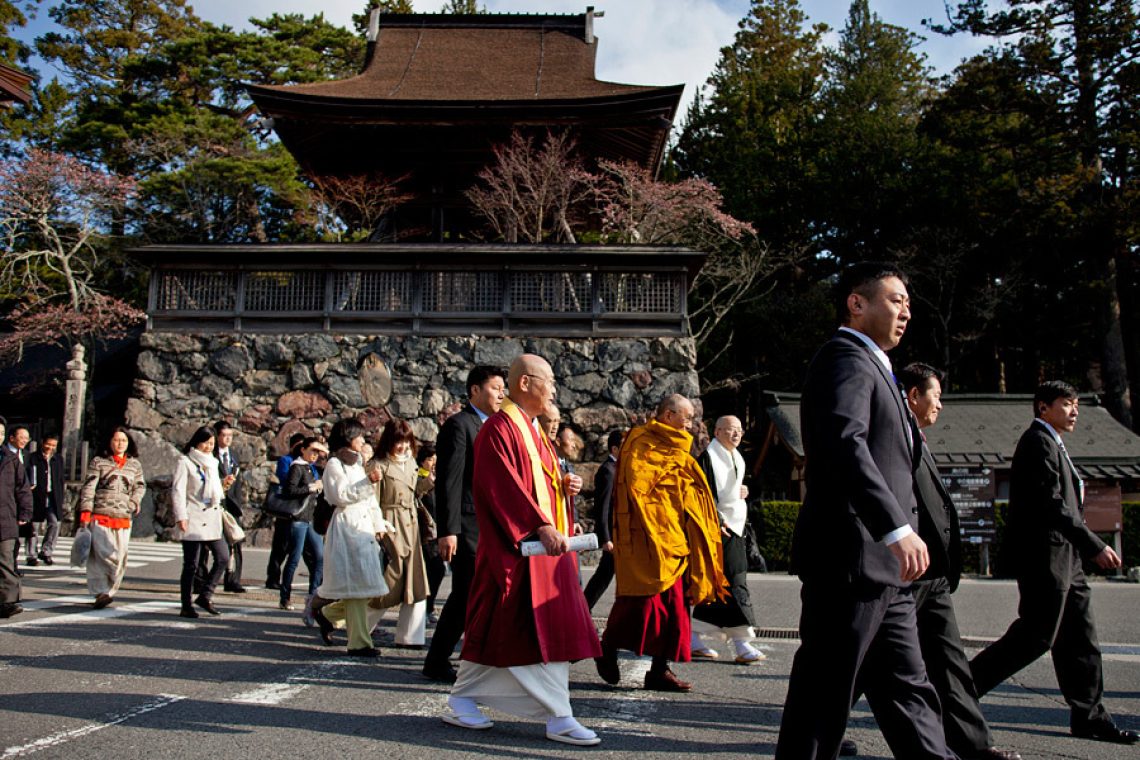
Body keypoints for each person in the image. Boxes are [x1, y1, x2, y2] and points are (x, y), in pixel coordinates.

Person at [775, 262, 952, 760]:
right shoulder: (845, 358)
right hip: (851, 560)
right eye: (896, 300)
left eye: (908, 303)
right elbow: (842, 444)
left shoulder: (878, 367)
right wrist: (895, 525)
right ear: (857, 303)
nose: (906, 312)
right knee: (821, 698)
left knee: (910, 694)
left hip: (884, 570)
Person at [839, 364, 1020, 760]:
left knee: (949, 661)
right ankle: (824, 731)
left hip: (931, 572)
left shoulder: (915, 435)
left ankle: (974, 744)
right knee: (858, 662)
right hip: (901, 567)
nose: (940, 405)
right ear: (914, 396)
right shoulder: (888, 435)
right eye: (935, 396)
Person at [443, 353, 601, 747]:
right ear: (526, 383)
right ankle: (559, 715)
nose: (554, 389)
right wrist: (541, 525)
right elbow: (501, 488)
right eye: (549, 380)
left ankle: (463, 697)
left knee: (501, 628)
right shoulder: (500, 428)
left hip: (544, 549)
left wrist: (564, 496)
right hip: (521, 548)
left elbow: (539, 484)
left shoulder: (532, 429)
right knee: (533, 627)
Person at [970, 381, 1138, 745]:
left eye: (1076, 404)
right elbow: (1052, 503)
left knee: (1081, 639)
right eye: (1066, 404)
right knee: (1035, 636)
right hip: (1045, 557)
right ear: (1043, 408)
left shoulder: (1053, 443)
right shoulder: (1037, 442)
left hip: (1066, 558)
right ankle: (960, 691)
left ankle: (1089, 716)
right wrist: (1093, 544)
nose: (1074, 410)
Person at [595, 393, 727, 692]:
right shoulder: (641, 442)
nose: (691, 423)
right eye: (687, 416)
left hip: (676, 539)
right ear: (668, 415)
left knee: (677, 608)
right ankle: (607, 647)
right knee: (640, 603)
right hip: (649, 539)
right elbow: (639, 491)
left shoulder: (680, 448)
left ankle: (659, 669)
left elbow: (688, 489)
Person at [422, 365, 507, 683]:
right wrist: (448, 530)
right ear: (474, 390)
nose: (502, 393)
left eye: (504, 388)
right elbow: (449, 482)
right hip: (467, 526)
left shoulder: (498, 425)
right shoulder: (460, 425)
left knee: (484, 591)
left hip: (491, 525)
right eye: (496, 387)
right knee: (466, 591)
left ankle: (479, 654)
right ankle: (437, 659)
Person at [310, 418, 391, 657]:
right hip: (347, 528)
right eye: (359, 436)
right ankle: (359, 643)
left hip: (362, 528)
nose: (363, 440)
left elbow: (369, 499)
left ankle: (327, 615)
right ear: (348, 437)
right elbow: (339, 496)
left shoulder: (355, 464)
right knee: (357, 588)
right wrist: (368, 481)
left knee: (366, 588)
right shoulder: (335, 464)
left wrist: (378, 523)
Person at [690, 415, 766, 664]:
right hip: (720, 528)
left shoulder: (736, 456)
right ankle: (742, 642)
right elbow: (703, 494)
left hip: (735, 527)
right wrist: (716, 520)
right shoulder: (708, 457)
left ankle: (694, 636)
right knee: (734, 581)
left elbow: (731, 489)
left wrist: (742, 490)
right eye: (731, 430)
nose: (736, 435)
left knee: (721, 583)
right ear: (717, 431)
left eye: (739, 431)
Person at [366, 418, 430, 648]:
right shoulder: (378, 465)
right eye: (398, 442)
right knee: (390, 580)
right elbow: (372, 499)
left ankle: (411, 636)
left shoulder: (411, 463)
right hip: (390, 523)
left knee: (416, 581)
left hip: (411, 524)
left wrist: (428, 479)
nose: (403, 447)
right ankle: (361, 627)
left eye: (406, 442)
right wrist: (377, 527)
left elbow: (416, 492)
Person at [77, 427, 147, 610]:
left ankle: (109, 591)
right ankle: (100, 592)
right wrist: (85, 511)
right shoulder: (98, 462)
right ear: (109, 442)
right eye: (116, 440)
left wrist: (133, 503)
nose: (120, 444)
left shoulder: (135, 465)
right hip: (100, 514)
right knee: (103, 556)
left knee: (120, 556)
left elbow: (140, 487)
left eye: (123, 441)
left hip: (123, 517)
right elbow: (89, 488)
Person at [171, 426, 229, 618]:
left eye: (212, 444)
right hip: (193, 515)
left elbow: (213, 490)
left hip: (211, 516)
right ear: (197, 441)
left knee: (223, 557)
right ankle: (186, 604)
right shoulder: (185, 462)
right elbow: (178, 490)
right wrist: (181, 516)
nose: (208, 447)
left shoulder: (212, 463)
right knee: (191, 564)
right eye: (205, 442)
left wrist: (223, 486)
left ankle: (205, 594)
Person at [278, 437, 327, 614]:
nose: (315, 455)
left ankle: (313, 595)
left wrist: (325, 451)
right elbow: (290, 490)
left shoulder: (313, 468)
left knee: (319, 556)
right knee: (294, 558)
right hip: (298, 518)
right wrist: (311, 487)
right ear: (302, 450)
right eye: (312, 451)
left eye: (317, 452)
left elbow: (329, 465)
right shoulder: (297, 467)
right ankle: (285, 597)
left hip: (311, 519)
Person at [582, 430, 623, 610]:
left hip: (618, 533)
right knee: (604, 575)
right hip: (612, 535)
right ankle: (583, 608)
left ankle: (583, 608)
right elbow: (602, 507)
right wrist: (605, 538)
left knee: (605, 575)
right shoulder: (608, 471)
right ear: (614, 448)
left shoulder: (618, 469)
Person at [267, 432, 307, 590]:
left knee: (304, 550)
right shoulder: (287, 460)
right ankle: (273, 577)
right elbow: (285, 479)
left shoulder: (307, 464)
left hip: (303, 509)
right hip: (287, 508)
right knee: (280, 546)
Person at [0, 428, 32, 618]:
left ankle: (8, 601)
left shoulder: (10, 460)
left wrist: (25, 512)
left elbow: (23, 488)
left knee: (5, 560)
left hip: (5, 517)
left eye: (1, 433)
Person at [416, 444, 446, 622]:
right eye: (429, 460)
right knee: (434, 569)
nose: (433, 463)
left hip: (437, 531)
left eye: (435, 460)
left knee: (437, 570)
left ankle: (429, 605)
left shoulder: (439, 476)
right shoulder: (419, 476)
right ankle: (426, 607)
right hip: (424, 531)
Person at [215, 421, 246, 593]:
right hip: (217, 502)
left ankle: (233, 579)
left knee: (236, 540)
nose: (228, 439)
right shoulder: (213, 455)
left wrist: (239, 504)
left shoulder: (233, 456)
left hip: (232, 504)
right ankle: (201, 578)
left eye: (230, 436)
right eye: (224, 435)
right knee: (209, 544)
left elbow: (238, 483)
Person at [27, 435, 64, 566]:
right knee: (34, 526)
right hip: (37, 496)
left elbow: (60, 479)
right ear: (43, 443)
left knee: (55, 523)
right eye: (48, 444)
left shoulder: (57, 459)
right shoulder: (32, 458)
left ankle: (46, 551)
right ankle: (31, 555)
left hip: (53, 496)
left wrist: (61, 498)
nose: (50, 448)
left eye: (53, 445)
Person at [6, 426, 31, 571]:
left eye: (27, 438)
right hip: (7, 502)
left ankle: (12, 566)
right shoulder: (5, 455)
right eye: (21, 437)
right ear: (12, 438)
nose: (24, 441)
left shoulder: (27, 456)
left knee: (15, 539)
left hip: (20, 502)